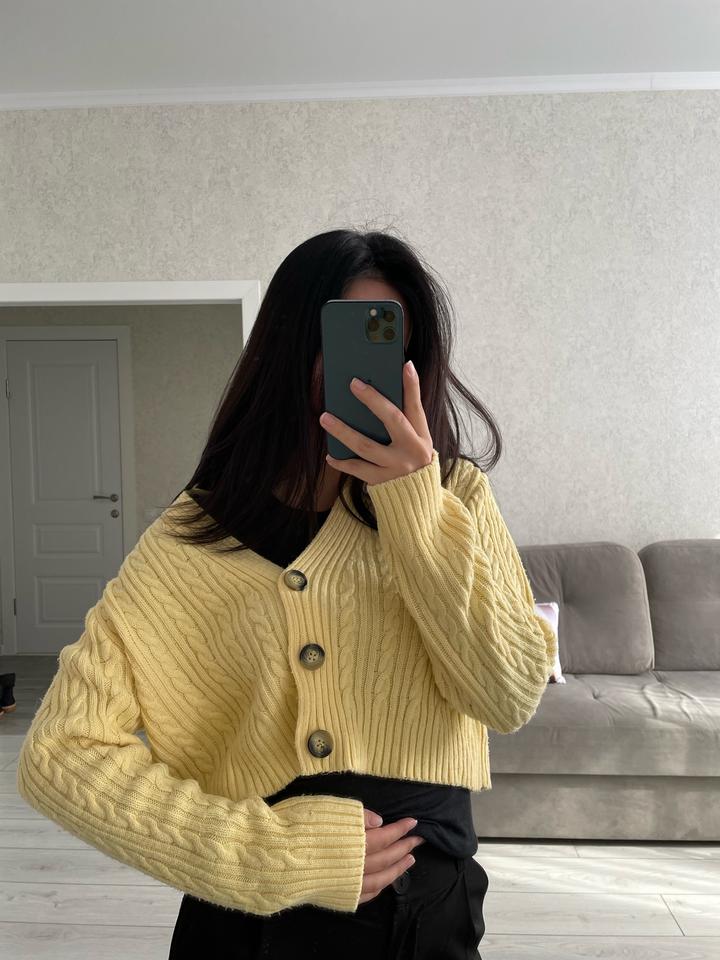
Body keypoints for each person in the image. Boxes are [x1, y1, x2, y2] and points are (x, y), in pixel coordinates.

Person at [16, 229, 557, 960]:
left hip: (423, 913)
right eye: (341, 339)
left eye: (388, 342)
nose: (364, 373)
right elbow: (60, 753)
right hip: (250, 919)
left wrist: (413, 504)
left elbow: (508, 694)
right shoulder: (194, 534)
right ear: (287, 348)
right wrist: (268, 856)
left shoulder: (454, 496)